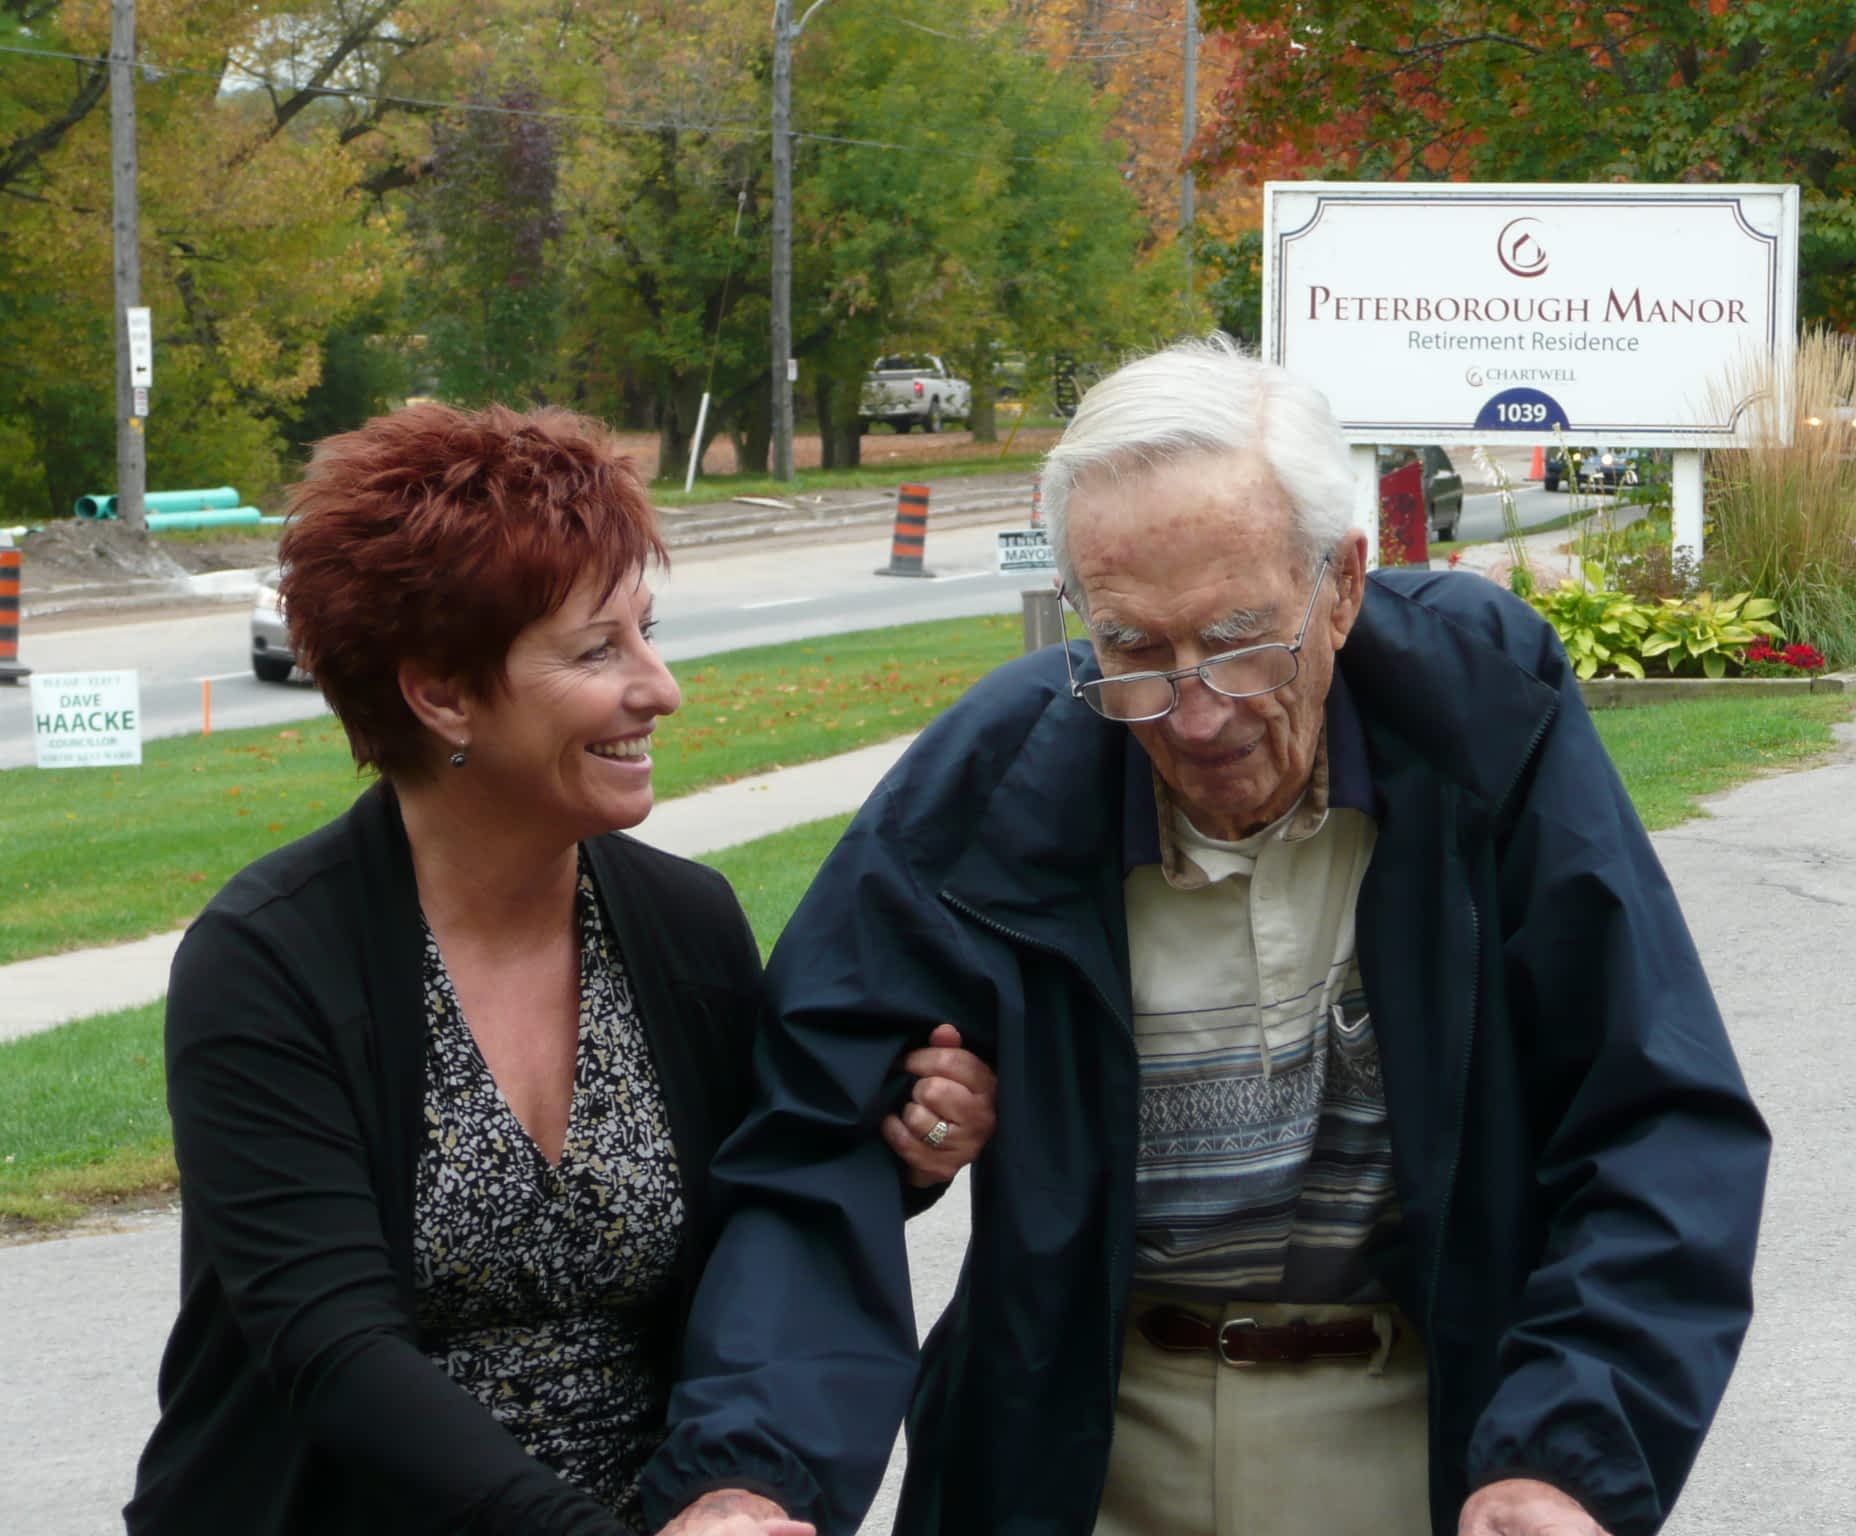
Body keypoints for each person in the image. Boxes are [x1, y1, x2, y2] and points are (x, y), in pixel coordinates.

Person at [645, 339, 1771, 1536]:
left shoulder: (1482, 719)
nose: (1191, 713)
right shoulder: (995, 778)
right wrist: (748, 1474)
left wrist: (1565, 1459)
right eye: (1132, 650)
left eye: (1240, 641)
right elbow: (810, 1151)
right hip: (1083, 1445)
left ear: (1340, 584)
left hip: (1423, 1432)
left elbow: (1652, 1116)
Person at [124, 404, 996, 1536]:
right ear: (440, 693)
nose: (660, 687)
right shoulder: (269, 962)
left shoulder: (683, 924)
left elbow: (759, 1211)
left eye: (647, 632)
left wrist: (903, 1148)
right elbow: (333, 1352)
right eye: (599, 650)